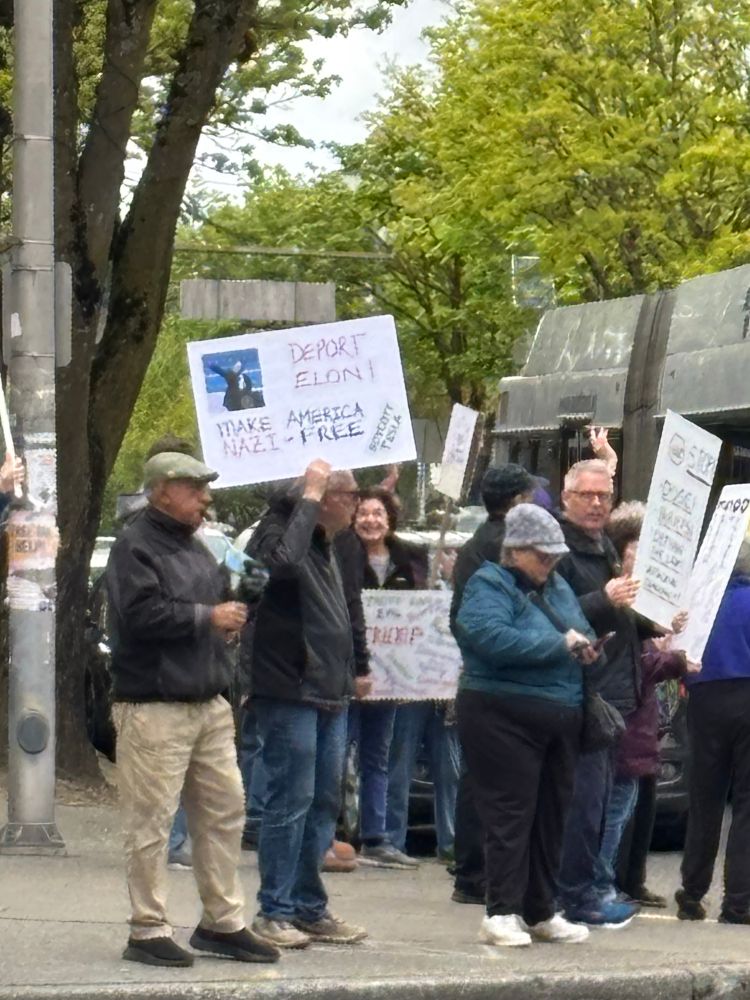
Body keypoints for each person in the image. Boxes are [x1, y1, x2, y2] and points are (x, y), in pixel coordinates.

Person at [106, 451, 279, 968]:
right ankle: (148, 927)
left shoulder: (201, 547)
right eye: (196, 488)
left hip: (206, 701)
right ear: (162, 491)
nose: (206, 498)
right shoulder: (134, 547)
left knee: (225, 813)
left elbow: (220, 604)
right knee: (151, 822)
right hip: (154, 705)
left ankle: (222, 922)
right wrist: (210, 615)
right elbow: (139, 616)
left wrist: (244, 598)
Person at [455, 503, 597, 947]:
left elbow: (581, 628)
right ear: (514, 551)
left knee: (551, 816)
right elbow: (487, 637)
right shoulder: (488, 583)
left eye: (555, 554)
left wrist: (590, 647)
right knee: (510, 814)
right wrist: (559, 645)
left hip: (559, 715)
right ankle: (500, 911)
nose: (550, 562)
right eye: (542, 554)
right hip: (500, 713)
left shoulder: (557, 587)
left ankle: (540, 909)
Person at [246, 460, 369, 950]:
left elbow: (347, 608)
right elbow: (278, 569)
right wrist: (311, 496)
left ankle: (307, 905)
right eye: (350, 494)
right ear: (320, 497)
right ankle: (273, 909)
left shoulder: (330, 544)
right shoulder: (276, 533)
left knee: (322, 802)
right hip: (290, 686)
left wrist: (358, 665)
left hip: (327, 687)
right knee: (289, 801)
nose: (356, 504)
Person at [554, 458, 645, 927]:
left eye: (604, 496)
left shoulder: (604, 545)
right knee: (584, 805)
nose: (596, 504)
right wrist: (603, 601)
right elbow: (555, 615)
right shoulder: (559, 550)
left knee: (599, 802)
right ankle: (575, 896)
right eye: (587, 495)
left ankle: (585, 890)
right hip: (579, 692)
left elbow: (619, 618)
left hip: (612, 692)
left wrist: (651, 626)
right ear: (565, 497)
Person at [449, 463, 534, 904]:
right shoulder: (502, 547)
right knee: (493, 780)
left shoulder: (477, 543)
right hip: (498, 675)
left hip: (483, 670)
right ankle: (475, 873)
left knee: (480, 776)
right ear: (517, 501)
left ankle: (471, 871)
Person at [601, 501, 692, 908]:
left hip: (647, 715)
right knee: (617, 807)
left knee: (640, 802)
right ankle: (608, 883)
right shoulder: (614, 596)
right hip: (626, 714)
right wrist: (673, 660)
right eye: (635, 550)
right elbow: (634, 660)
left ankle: (629, 880)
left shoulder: (648, 596)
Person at [347, 486, 426, 869]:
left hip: (390, 679)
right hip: (346, 675)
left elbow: (423, 618)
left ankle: (375, 837)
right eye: (363, 512)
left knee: (377, 757)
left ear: (390, 519)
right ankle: (331, 837)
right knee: (337, 757)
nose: (370, 520)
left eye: (377, 513)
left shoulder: (409, 559)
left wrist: (415, 677)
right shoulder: (341, 555)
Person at [676, 539, 750, 925]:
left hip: (705, 698)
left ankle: (691, 891)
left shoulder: (701, 604)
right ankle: (738, 901)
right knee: (746, 804)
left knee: (705, 798)